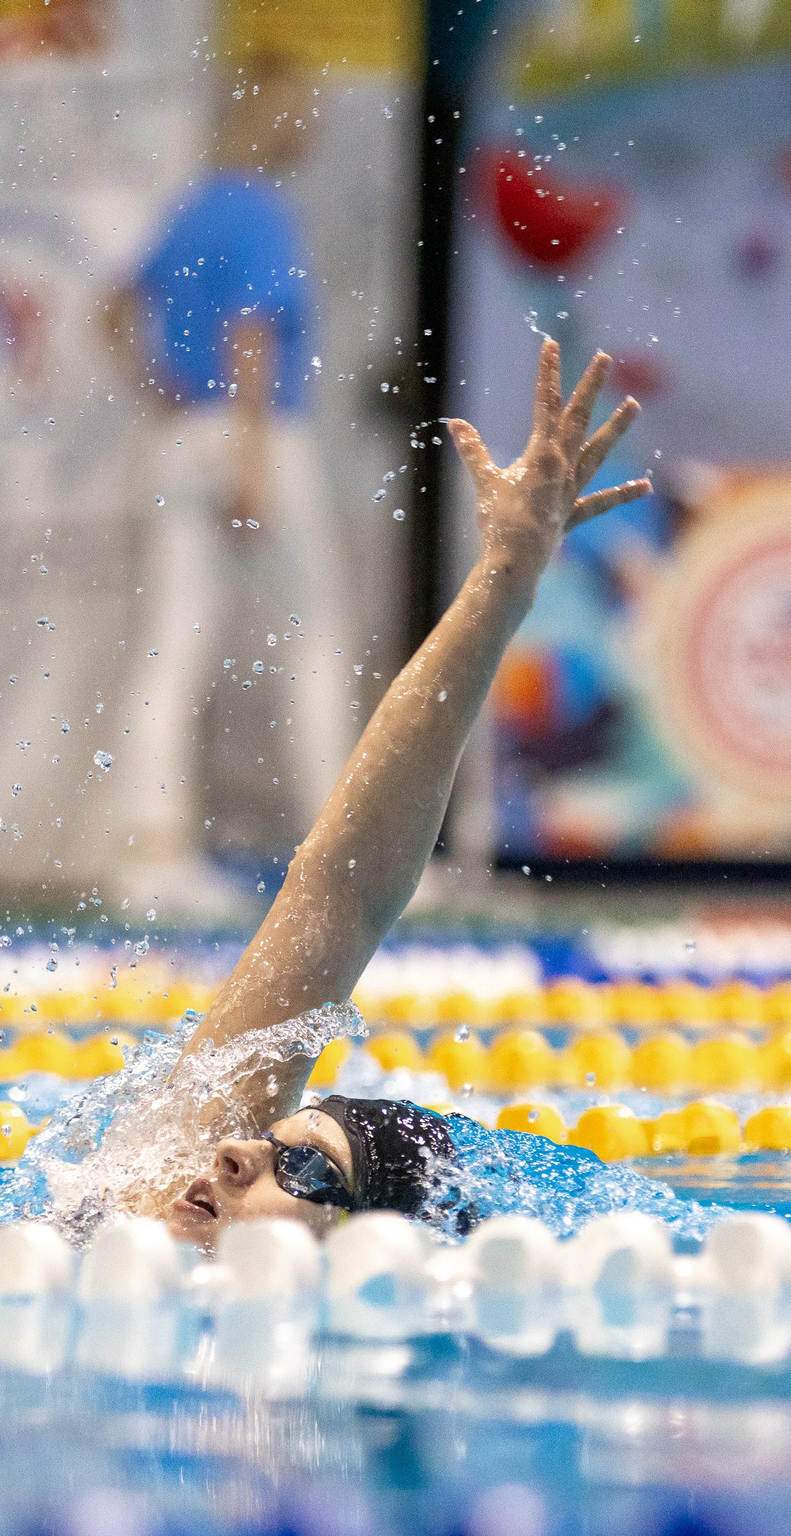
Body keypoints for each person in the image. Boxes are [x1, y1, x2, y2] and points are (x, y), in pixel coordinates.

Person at [155, 338, 648, 1248]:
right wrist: (504, 579)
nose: (232, 1149)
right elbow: (339, 892)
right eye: (276, 1137)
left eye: (305, 1168)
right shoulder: (151, 1199)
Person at [106, 60, 355, 916]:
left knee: (172, 644)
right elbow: (250, 330)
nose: (314, 127)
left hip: (183, 439)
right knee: (313, 643)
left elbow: (111, 310)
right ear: (279, 117)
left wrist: (162, 390)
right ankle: (341, 852)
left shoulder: (190, 210)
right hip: (258, 435)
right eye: (307, 110)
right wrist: (250, 456)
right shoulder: (259, 209)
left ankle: (154, 853)